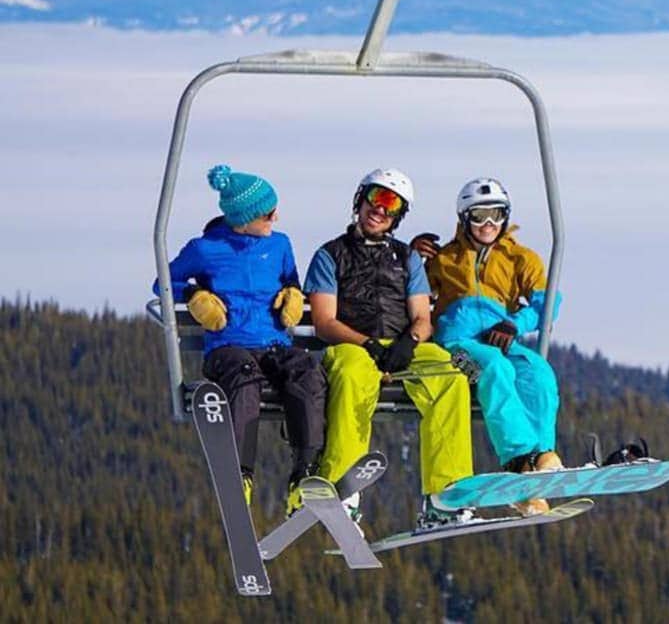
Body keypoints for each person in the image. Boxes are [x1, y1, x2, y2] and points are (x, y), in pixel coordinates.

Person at [305, 168, 475, 530]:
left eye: (391, 204)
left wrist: (408, 343)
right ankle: (343, 489)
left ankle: (446, 494)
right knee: (352, 378)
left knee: (449, 378)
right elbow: (324, 321)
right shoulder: (330, 255)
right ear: (360, 199)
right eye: (375, 198)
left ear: (399, 215)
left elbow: (422, 318)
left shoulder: (406, 259)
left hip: (401, 346)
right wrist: (367, 344)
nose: (380, 210)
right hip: (351, 344)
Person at [159, 164, 325, 518]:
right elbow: (162, 283)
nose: (274, 218)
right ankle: (240, 476)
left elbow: (290, 280)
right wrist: (194, 294)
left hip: (274, 345)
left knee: (306, 372)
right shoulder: (204, 249)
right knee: (244, 378)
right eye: (267, 214)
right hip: (227, 348)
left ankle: (305, 472)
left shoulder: (279, 245)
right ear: (244, 217)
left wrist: (294, 295)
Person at [413, 177, 562, 516]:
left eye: (496, 215)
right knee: (493, 368)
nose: (488, 224)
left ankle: (539, 463)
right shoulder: (446, 258)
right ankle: (519, 459)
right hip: (457, 344)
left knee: (538, 373)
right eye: (479, 216)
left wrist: (516, 323)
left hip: (500, 336)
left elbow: (548, 302)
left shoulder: (519, 258)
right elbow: (412, 291)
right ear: (464, 218)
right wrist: (413, 255)